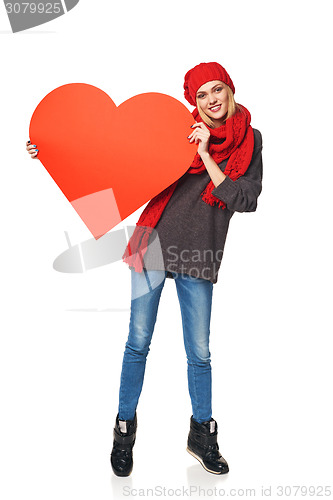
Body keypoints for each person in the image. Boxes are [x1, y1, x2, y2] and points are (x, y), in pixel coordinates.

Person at [26, 62, 263, 477]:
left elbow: (243, 198)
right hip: (150, 243)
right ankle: (123, 430)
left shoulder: (250, 141)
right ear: (194, 99)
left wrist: (205, 154)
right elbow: (114, 163)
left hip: (200, 249)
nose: (211, 100)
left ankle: (202, 435)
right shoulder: (172, 131)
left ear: (229, 90)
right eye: (202, 94)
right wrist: (51, 149)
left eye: (217, 90)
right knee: (138, 342)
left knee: (200, 352)